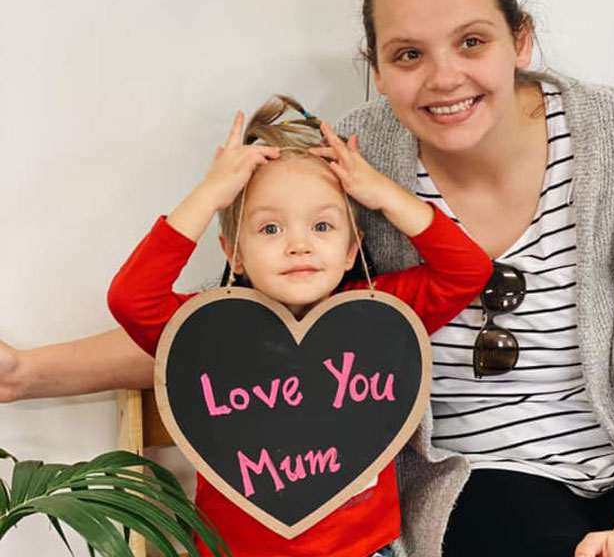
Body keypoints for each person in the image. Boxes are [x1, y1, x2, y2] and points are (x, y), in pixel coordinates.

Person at [0, 0, 614, 557]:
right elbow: (241, 336)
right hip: (476, 478)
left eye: (471, 42)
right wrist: (29, 374)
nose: (443, 78)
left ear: (521, 38)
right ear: (376, 68)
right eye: (408, 54)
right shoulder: (350, 160)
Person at [105, 94, 493, 557]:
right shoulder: (212, 328)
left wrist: (383, 193)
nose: (299, 246)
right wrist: (209, 195)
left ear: (352, 250)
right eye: (271, 229)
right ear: (234, 254)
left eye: (323, 227)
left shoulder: (380, 312)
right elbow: (131, 299)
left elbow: (468, 270)